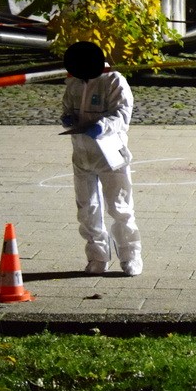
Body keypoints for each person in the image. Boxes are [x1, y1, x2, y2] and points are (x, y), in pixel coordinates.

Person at [61, 41, 143, 276]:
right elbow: (67, 106)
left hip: (110, 155)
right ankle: (97, 256)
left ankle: (130, 256)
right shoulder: (75, 82)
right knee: (87, 209)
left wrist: (102, 126)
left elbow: (122, 114)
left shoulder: (113, 81)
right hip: (82, 155)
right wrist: (68, 118)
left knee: (119, 207)